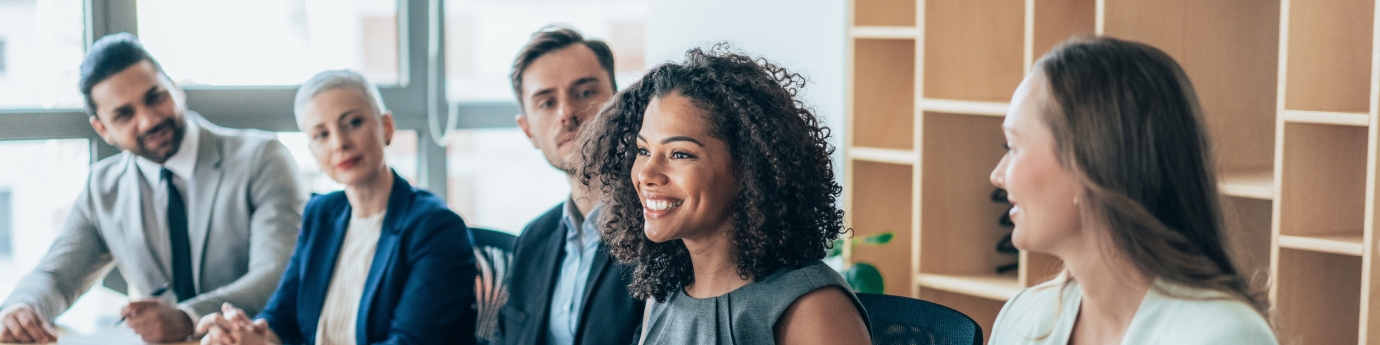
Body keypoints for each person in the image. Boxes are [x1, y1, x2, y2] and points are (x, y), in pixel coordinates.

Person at [0, 33, 305, 343]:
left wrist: (188, 317)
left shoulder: (262, 158)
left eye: (155, 97)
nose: (148, 121)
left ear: (176, 88)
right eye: (124, 114)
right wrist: (21, 308)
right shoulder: (103, 189)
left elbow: (277, 273)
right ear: (102, 129)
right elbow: (56, 277)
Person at [986, 36, 1276, 344]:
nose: (997, 175)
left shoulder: (1222, 335)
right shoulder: (1022, 319)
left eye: (1012, 147)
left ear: (1088, 163)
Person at [578, 45, 872, 345]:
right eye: (643, 151)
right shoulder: (663, 296)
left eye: (680, 154)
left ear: (749, 168)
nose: (646, 175)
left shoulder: (812, 310)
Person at [194, 70, 479, 345]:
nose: (340, 143)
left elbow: (407, 342)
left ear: (386, 127)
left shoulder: (436, 229)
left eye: (353, 123)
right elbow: (280, 318)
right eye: (321, 135)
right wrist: (246, 335)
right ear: (313, 152)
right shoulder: (321, 214)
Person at [493, 26, 643, 345]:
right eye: (546, 103)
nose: (567, 114)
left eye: (585, 92)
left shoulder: (656, 229)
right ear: (528, 130)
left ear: (618, 102)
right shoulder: (533, 240)